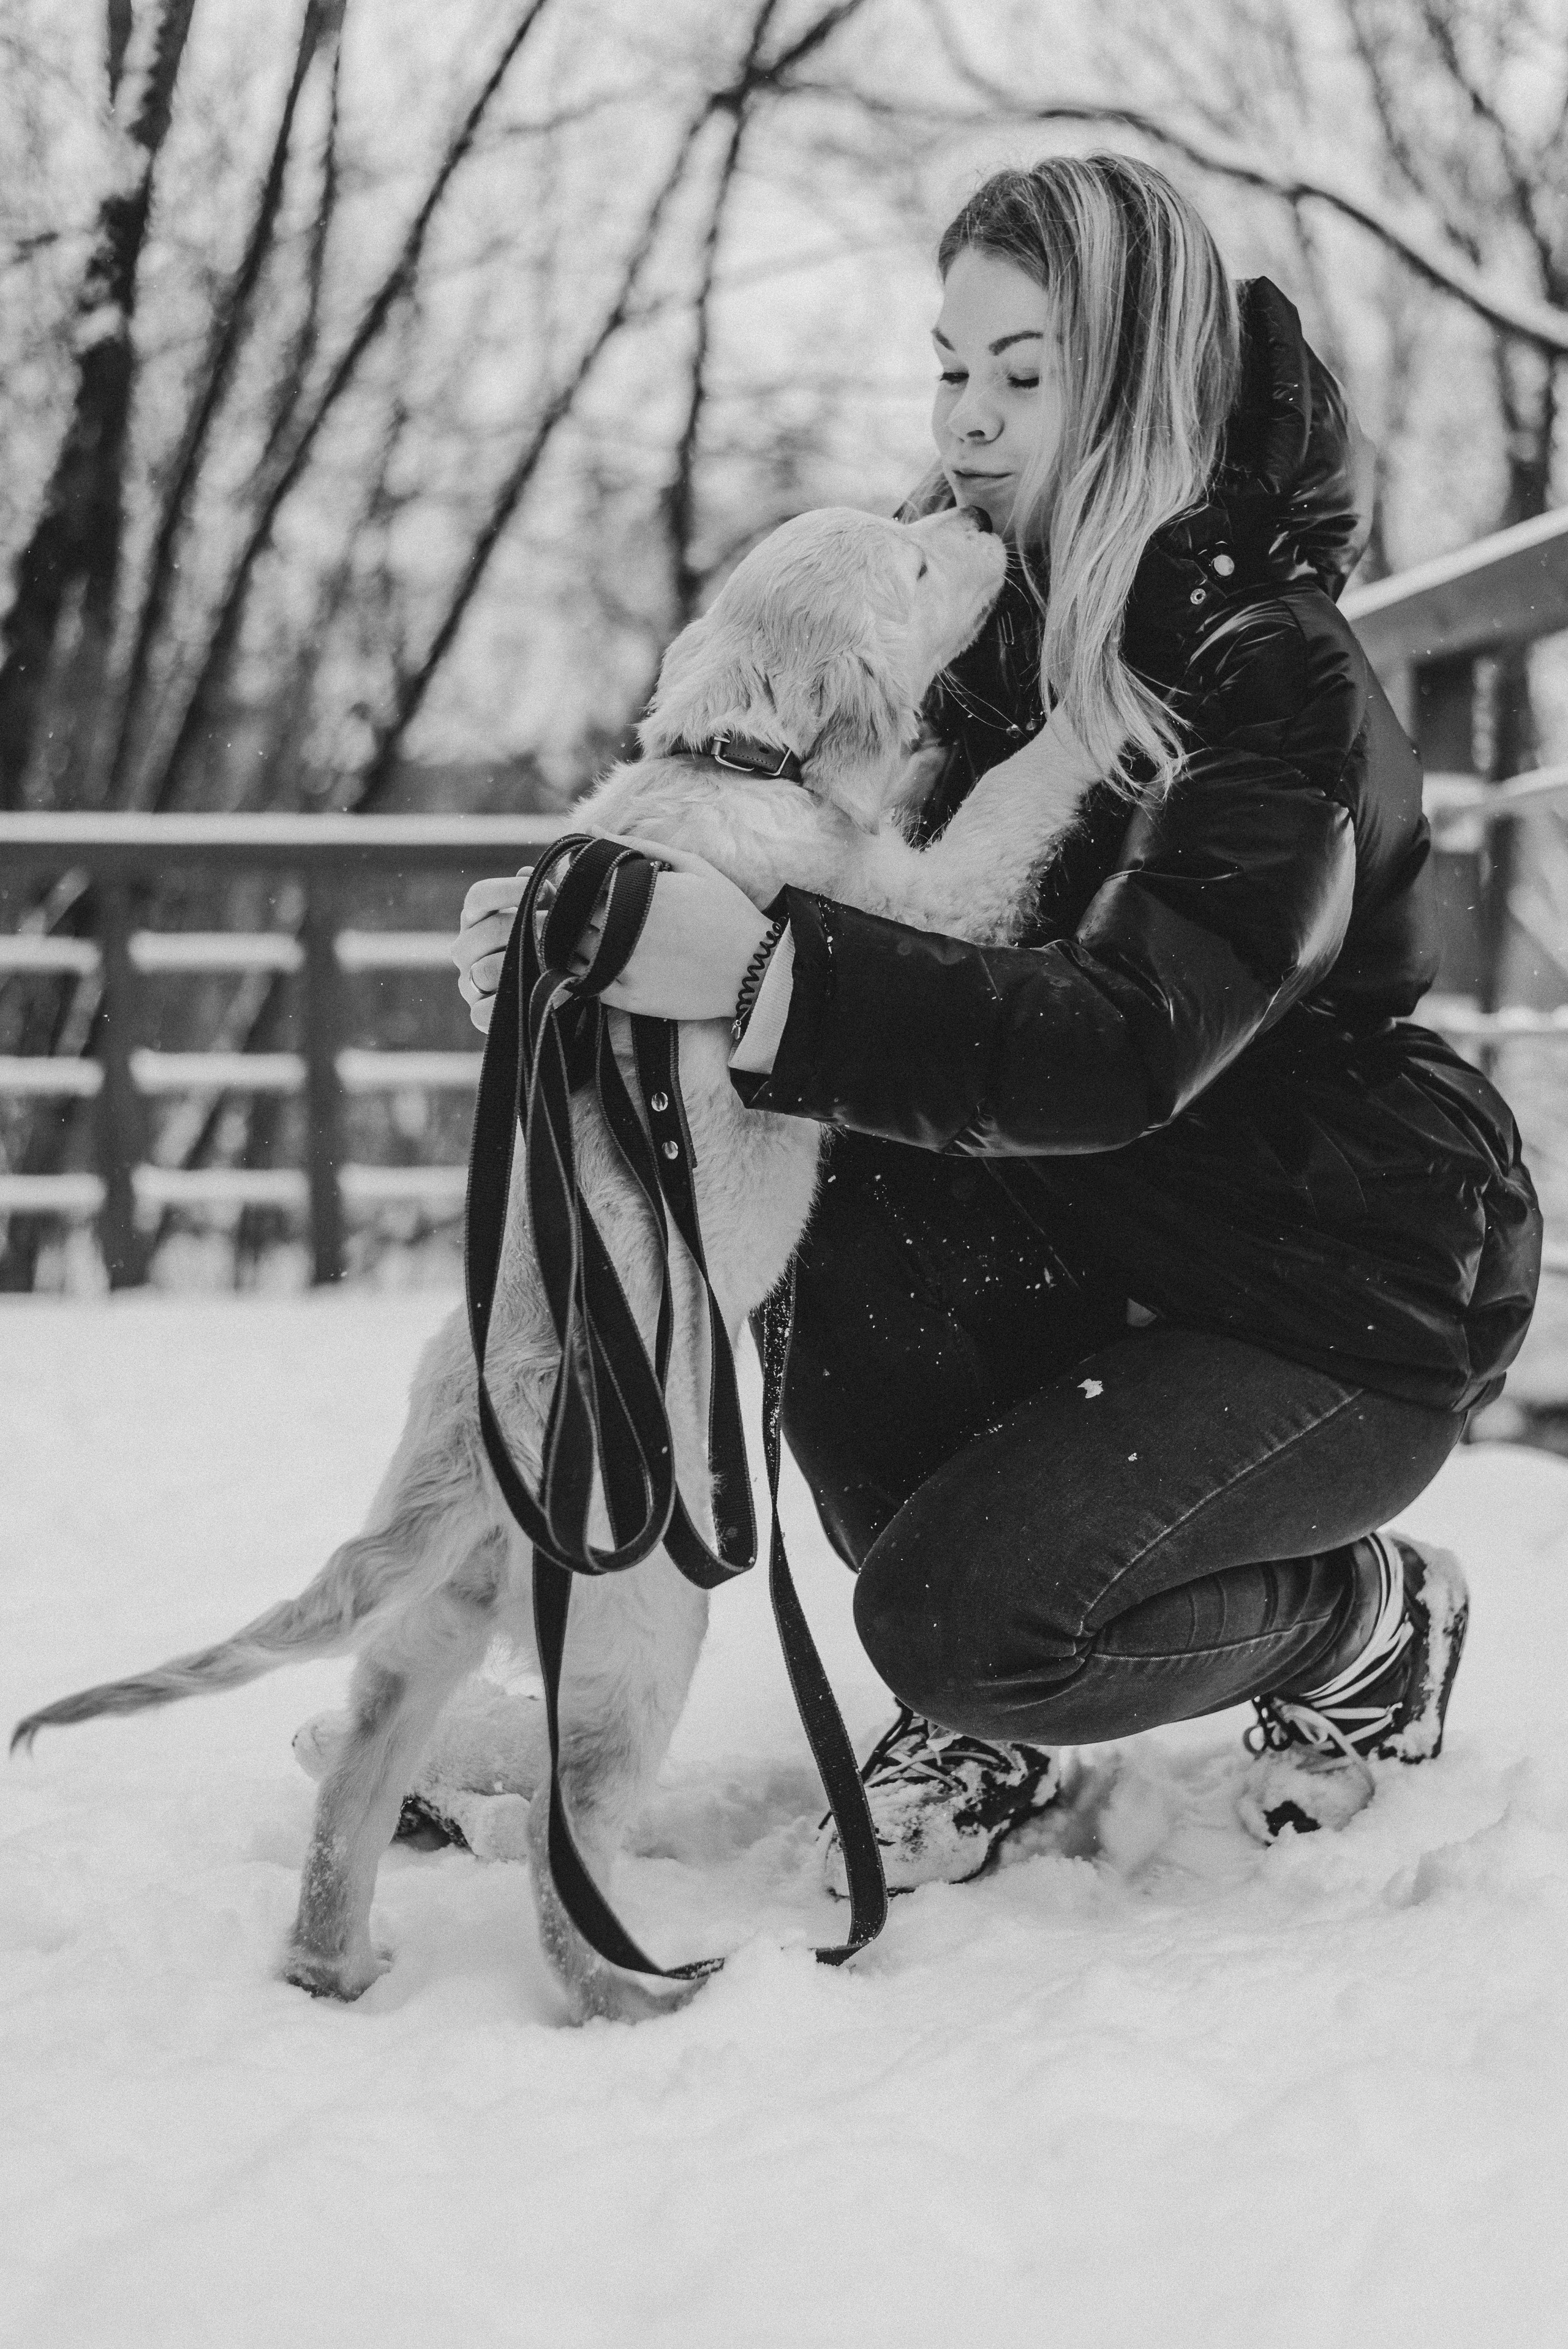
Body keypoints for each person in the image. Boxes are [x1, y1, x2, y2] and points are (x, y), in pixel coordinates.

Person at [453, 154, 1540, 1876]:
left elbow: (1122, 1035)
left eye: (1023, 375)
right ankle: (988, 1723)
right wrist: (590, 944)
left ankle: (1363, 1624)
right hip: (1088, 1220)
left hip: (1323, 1284)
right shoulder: (961, 623)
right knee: (809, 1148)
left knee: (966, 1621)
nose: (969, 420)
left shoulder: (1275, 670)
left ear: (1135, 377)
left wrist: (748, 974)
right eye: (950, 367)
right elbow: (807, 872)